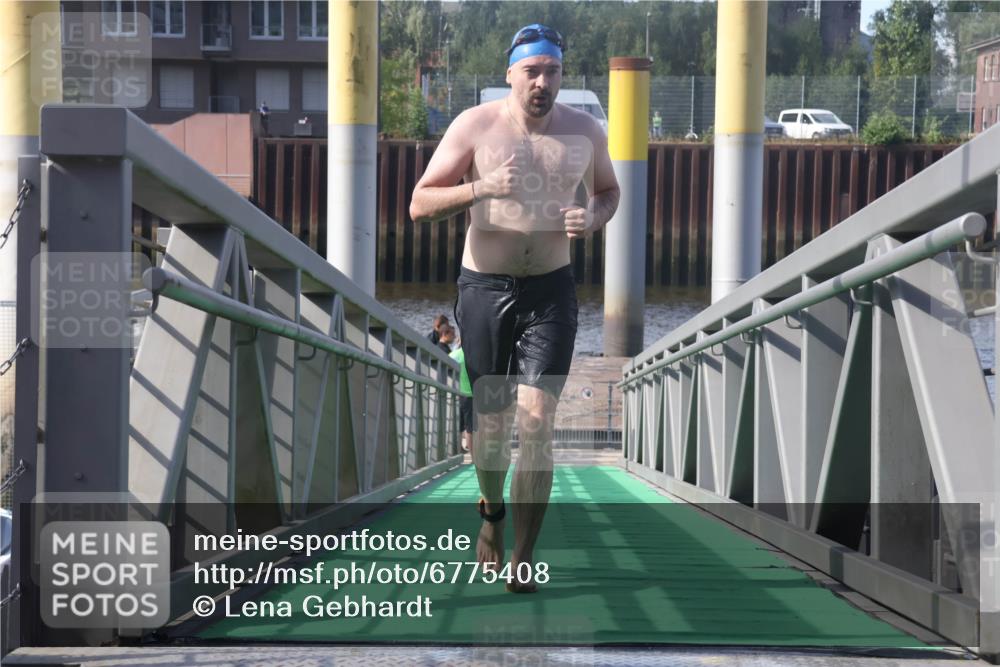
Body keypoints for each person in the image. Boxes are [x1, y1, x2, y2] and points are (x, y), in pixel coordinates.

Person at [409, 23, 620, 593]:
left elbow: (608, 191)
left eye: (552, 70)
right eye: (532, 71)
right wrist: (481, 189)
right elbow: (420, 203)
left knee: (536, 422)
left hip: (551, 290)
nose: (542, 82)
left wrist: (594, 217)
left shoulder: (585, 131)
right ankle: (492, 519)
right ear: (511, 74)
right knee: (492, 428)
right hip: (484, 289)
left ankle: (524, 556)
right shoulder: (475, 127)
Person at [449, 339, 474, 454]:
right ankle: (473, 453)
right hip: (470, 392)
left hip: (457, 392)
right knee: (470, 426)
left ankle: (457, 449)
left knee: (458, 423)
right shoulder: (472, 353)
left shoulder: (453, 355)